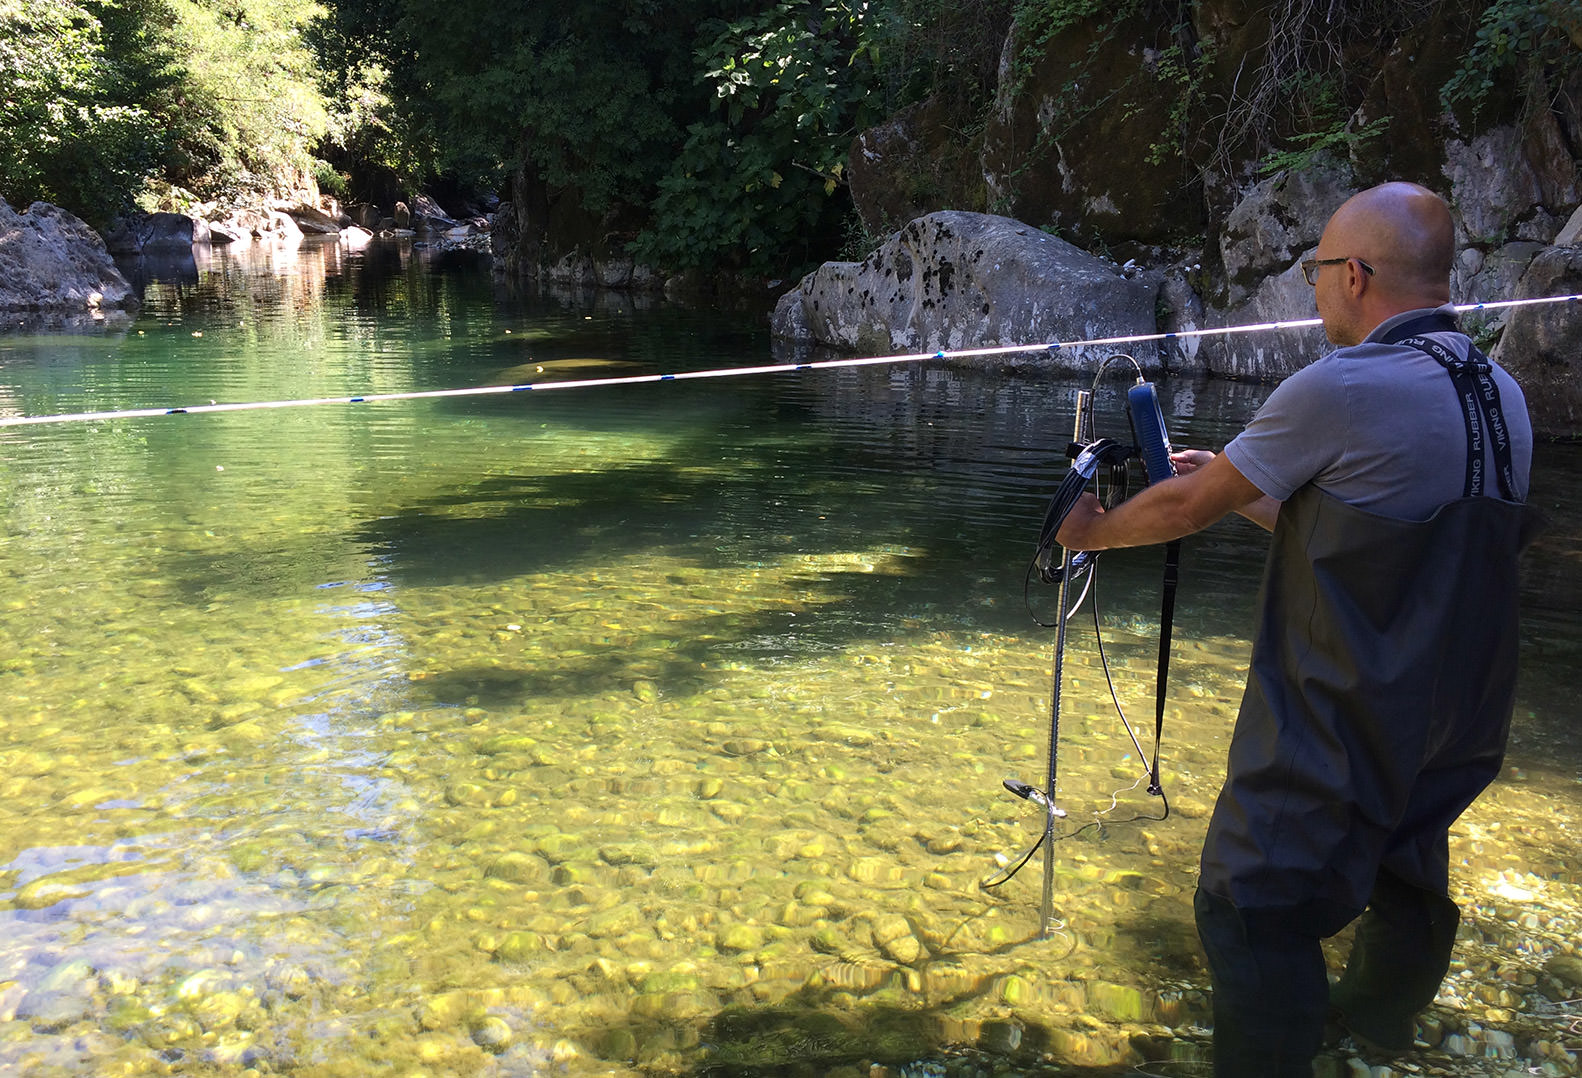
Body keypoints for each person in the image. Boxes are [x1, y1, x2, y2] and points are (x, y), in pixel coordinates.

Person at [1055, 181, 1541, 1076]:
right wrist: (1260, 495)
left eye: (1316, 268)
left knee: (1249, 910)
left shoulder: (1344, 384)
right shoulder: (1501, 393)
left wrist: (1088, 530)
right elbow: (1390, 541)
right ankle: (1376, 1030)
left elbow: (1185, 507)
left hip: (1340, 727)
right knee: (1406, 878)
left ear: (1355, 275)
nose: (1312, 286)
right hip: (1454, 732)